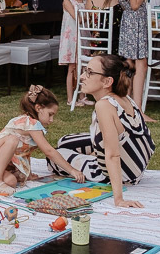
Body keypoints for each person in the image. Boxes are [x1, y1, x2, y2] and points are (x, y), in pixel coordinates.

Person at [0, 86, 88, 195]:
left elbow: (25, 151)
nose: (52, 120)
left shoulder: (32, 125)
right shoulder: (30, 123)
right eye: (50, 114)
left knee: (11, 181)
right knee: (12, 139)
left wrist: (28, 173)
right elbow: (49, 151)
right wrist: (72, 170)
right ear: (38, 108)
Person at [51, 54, 150, 208]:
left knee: (54, 157)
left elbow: (113, 155)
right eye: (85, 70)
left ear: (107, 81)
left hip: (124, 172)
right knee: (64, 141)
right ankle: (88, 155)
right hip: (137, 161)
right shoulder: (124, 97)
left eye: (89, 72)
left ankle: (89, 161)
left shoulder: (104, 106)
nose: (82, 76)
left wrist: (119, 200)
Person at [113, 0, 155, 120]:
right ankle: (138, 110)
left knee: (131, 64)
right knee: (140, 65)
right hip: (134, 22)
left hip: (129, 22)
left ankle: (129, 107)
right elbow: (135, 5)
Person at [59, 0, 90, 106]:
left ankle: (82, 95)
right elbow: (78, 18)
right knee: (72, 67)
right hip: (71, 38)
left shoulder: (86, 1)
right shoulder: (67, 1)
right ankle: (70, 98)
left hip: (83, 36)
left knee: (84, 67)